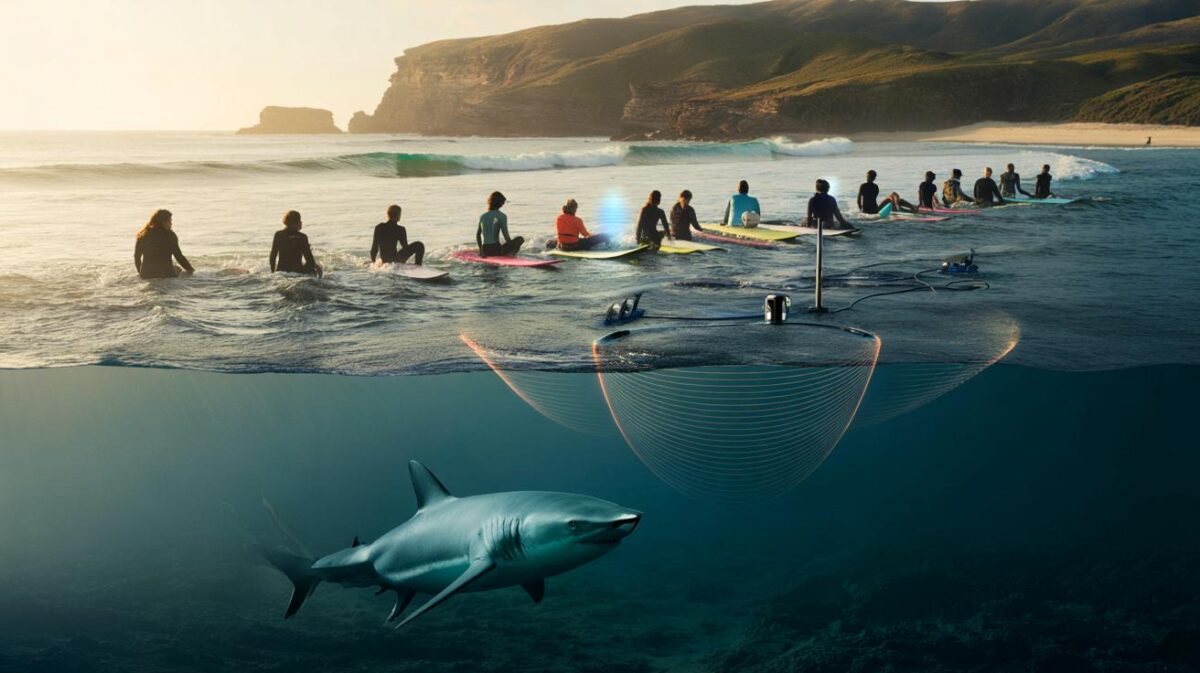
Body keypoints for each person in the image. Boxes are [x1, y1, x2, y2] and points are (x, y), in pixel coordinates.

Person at [134, 209, 194, 279]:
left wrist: (141, 272)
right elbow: (179, 256)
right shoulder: (170, 235)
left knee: (176, 268)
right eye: (170, 221)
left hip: (147, 274)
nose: (171, 224)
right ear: (163, 222)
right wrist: (191, 270)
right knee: (178, 269)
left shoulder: (143, 235)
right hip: (167, 274)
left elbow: (137, 257)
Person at [270, 210, 322, 276]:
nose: (301, 222)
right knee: (318, 266)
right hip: (298, 272)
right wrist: (316, 268)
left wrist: (272, 272)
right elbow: (309, 258)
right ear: (295, 223)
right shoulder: (302, 237)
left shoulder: (279, 235)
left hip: (281, 271)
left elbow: (273, 255)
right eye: (299, 221)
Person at [476, 191, 524, 257]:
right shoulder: (502, 216)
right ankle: (511, 256)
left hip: (485, 250)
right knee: (520, 239)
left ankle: (508, 254)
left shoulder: (483, 216)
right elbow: (506, 236)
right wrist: (513, 247)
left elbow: (478, 234)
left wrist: (481, 251)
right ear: (500, 203)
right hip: (496, 250)